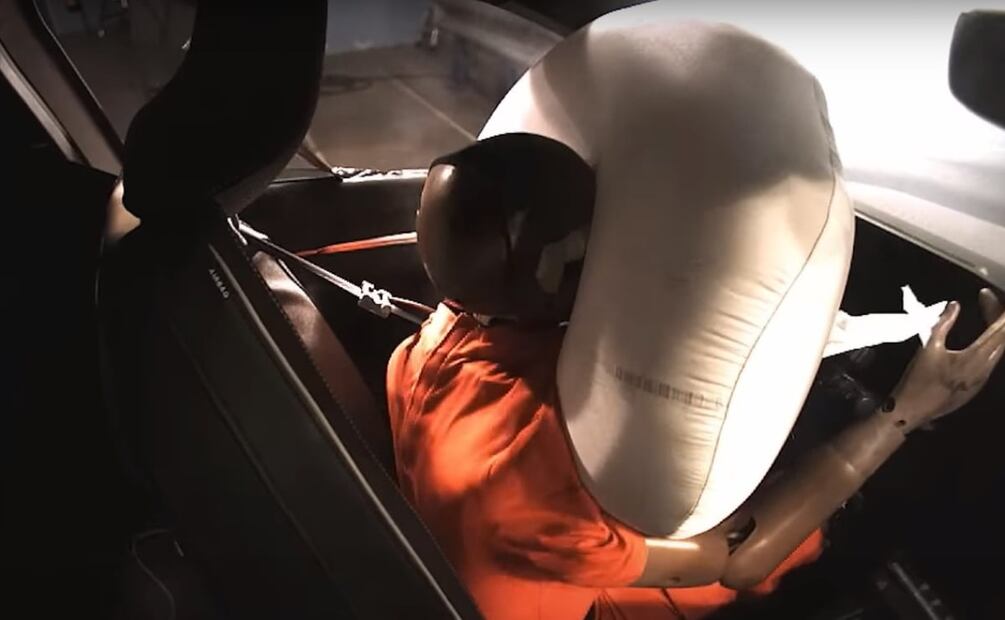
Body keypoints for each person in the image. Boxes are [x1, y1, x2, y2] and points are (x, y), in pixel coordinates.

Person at [386, 133, 1005, 620]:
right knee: (801, 544)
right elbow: (733, 558)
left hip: (516, 555)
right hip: (584, 587)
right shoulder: (526, 477)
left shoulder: (418, 353)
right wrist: (905, 412)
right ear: (556, 267)